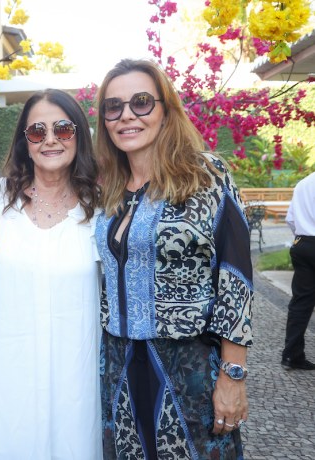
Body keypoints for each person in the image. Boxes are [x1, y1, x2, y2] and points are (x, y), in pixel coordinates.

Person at [94, 59, 253, 459]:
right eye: (113, 107)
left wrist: (233, 376)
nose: (127, 115)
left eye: (142, 102)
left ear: (166, 110)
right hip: (120, 365)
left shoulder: (205, 175)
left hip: (189, 365)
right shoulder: (108, 189)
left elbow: (235, 277)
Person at [0, 89, 102, 459]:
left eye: (62, 129)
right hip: (4, 382)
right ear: (23, 142)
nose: (49, 139)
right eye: (37, 131)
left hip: (75, 383)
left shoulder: (102, 209)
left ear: (79, 135)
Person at [281, 171, 315, 370]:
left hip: (302, 244)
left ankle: (291, 354)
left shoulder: (303, 183)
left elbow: (290, 220)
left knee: (300, 303)